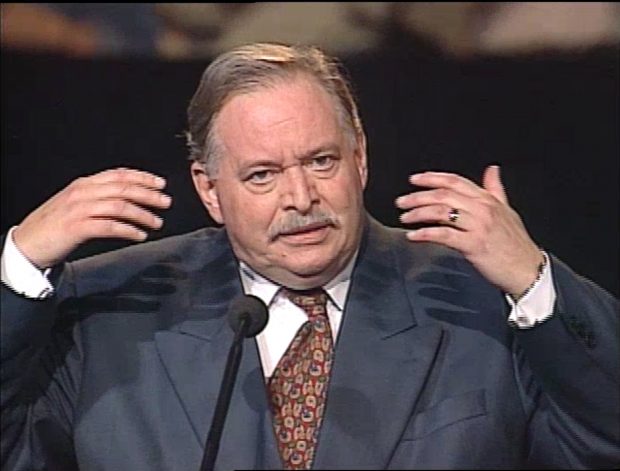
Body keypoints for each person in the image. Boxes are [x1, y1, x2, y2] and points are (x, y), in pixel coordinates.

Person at [1, 42, 618, 471]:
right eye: (263, 175)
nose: (301, 199)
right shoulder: (112, 310)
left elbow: (603, 442)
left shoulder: (477, 296)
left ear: (360, 160)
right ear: (210, 190)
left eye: (321, 161)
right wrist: (18, 271)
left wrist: (536, 285)